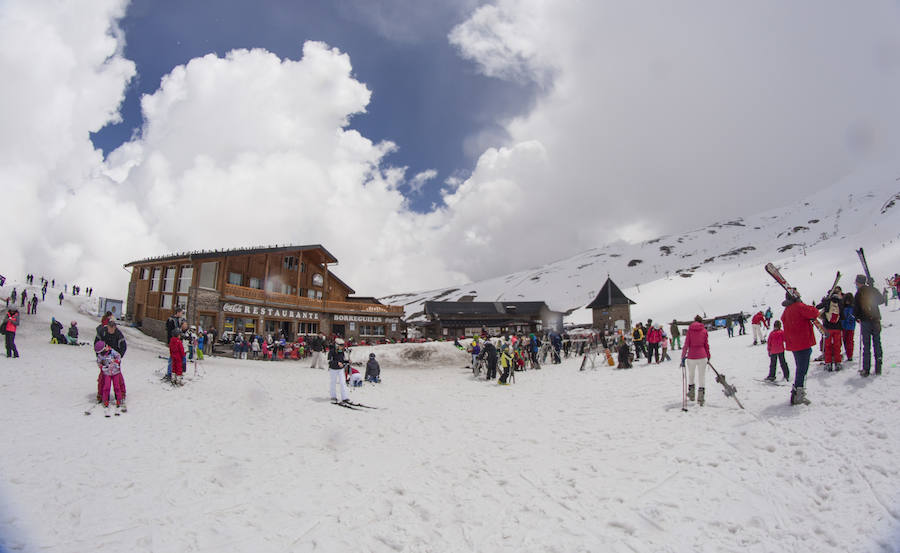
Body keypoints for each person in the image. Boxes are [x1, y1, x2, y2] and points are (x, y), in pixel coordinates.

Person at [781, 291, 821, 405]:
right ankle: (798, 394)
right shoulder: (799, 306)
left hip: (794, 343)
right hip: (803, 342)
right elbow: (814, 312)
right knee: (802, 369)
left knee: (800, 368)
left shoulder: (787, 310)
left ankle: (796, 392)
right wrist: (801, 303)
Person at [854, 274, 884, 377]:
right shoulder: (872, 290)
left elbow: (855, 310)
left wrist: (857, 317)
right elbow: (881, 300)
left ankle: (866, 369)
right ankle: (878, 367)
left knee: (866, 345)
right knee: (877, 342)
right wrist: (872, 287)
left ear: (858, 282)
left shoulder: (859, 293)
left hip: (865, 321)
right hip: (875, 320)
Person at [681, 315, 711, 405]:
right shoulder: (704, 331)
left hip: (691, 356)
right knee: (702, 376)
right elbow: (706, 345)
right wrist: (708, 356)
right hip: (702, 355)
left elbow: (686, 344)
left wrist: (683, 356)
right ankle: (701, 397)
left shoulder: (690, 331)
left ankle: (691, 394)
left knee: (691, 375)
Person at [816, 286, 845, 371]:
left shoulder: (827, 301)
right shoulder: (840, 303)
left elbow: (817, 307)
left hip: (827, 328)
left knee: (827, 345)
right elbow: (843, 316)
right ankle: (838, 362)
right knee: (837, 345)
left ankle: (828, 363)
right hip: (837, 327)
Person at [95, 340, 125, 413]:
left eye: (103, 351)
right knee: (106, 386)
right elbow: (98, 362)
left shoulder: (112, 352)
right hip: (107, 373)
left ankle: (119, 399)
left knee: (117, 386)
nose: (102, 353)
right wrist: (102, 367)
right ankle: (105, 400)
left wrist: (116, 362)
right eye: (101, 352)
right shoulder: (100, 356)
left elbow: (118, 356)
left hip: (115, 372)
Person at [164, 307, 185, 381]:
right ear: (178, 312)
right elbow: (169, 330)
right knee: (172, 357)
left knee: (176, 357)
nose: (182, 314)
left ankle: (175, 372)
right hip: (173, 341)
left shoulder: (179, 320)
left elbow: (180, 329)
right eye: (181, 313)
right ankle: (169, 373)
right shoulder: (171, 320)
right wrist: (171, 340)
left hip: (177, 340)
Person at [328, 338, 350, 403]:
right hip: (333, 369)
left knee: (343, 382)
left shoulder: (342, 352)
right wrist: (337, 363)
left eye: (342, 345)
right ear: (337, 345)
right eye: (340, 345)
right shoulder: (331, 351)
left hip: (340, 369)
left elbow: (342, 360)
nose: (342, 347)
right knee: (333, 382)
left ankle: (344, 397)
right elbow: (330, 361)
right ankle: (333, 396)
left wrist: (347, 361)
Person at [841, 293, 856, 363]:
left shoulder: (852, 308)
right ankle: (848, 354)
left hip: (849, 327)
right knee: (845, 341)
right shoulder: (843, 308)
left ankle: (850, 355)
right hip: (844, 327)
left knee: (849, 341)